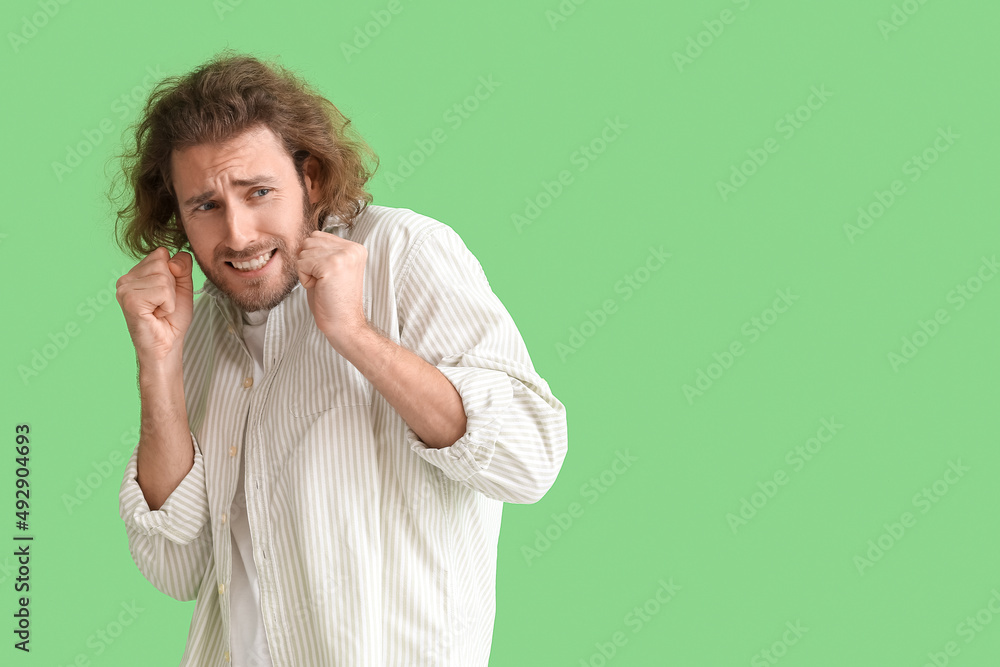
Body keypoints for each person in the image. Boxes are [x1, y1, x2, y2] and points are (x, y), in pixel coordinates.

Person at [112, 51, 568, 666]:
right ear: (179, 216)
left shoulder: (405, 253)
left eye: (260, 192)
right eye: (206, 206)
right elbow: (176, 566)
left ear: (313, 179)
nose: (240, 233)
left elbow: (528, 457)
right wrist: (158, 364)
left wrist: (353, 333)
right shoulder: (199, 325)